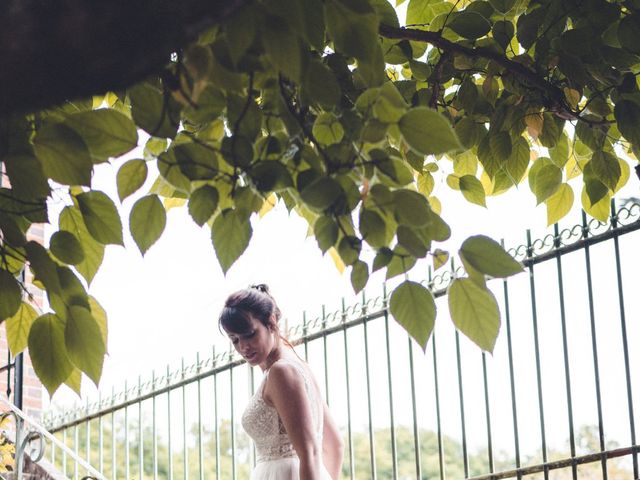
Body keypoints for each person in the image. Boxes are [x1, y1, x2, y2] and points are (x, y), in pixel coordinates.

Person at [219, 284, 344, 480]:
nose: (243, 346)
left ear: (271, 321)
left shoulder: (281, 371)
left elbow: (310, 452)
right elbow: (334, 445)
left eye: (250, 334)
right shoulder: (300, 367)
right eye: (234, 340)